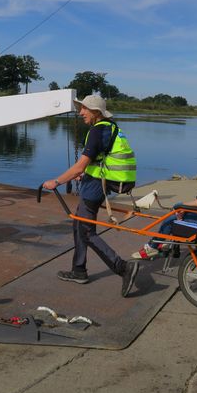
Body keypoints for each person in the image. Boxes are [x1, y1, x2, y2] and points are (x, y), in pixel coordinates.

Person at [42, 95, 139, 298]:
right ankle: (79, 270)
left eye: (84, 109)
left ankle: (122, 268)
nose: (80, 113)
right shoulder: (110, 127)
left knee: (86, 231)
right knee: (79, 226)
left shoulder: (96, 130)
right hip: (97, 181)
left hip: (95, 186)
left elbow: (80, 165)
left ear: (95, 111)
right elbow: (101, 159)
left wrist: (56, 182)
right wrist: (86, 173)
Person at [131, 150, 197, 260]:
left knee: (171, 219)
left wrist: (182, 205)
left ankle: (152, 247)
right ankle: (162, 240)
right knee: (176, 213)